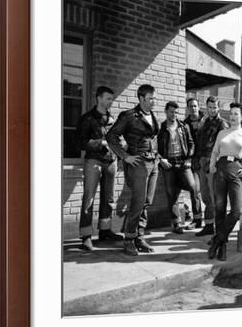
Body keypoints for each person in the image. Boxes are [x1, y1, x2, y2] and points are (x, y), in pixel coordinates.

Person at [106, 84, 159, 256]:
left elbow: (152, 137)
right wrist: (125, 156)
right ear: (141, 98)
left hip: (153, 163)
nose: (154, 101)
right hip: (138, 163)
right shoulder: (129, 116)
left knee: (146, 201)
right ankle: (128, 239)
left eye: (154, 98)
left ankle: (139, 236)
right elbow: (111, 136)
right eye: (151, 98)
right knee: (137, 202)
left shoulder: (152, 115)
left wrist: (158, 158)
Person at [208, 102, 242, 261]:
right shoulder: (222, 133)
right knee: (219, 208)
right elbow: (215, 151)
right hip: (220, 169)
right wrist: (211, 165)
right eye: (231, 113)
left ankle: (217, 239)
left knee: (237, 211)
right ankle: (221, 248)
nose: (233, 116)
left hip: (235, 170)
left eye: (236, 113)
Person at [75, 86, 122, 251]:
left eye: (111, 98)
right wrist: (99, 142)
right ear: (99, 98)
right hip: (93, 162)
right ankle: (86, 236)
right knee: (89, 199)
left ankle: (105, 231)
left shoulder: (112, 118)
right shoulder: (87, 118)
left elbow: (116, 138)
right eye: (108, 98)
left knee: (108, 199)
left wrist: (120, 144)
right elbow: (80, 142)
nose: (111, 101)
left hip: (111, 162)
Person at [158, 101, 201, 234]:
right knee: (172, 194)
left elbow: (191, 143)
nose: (174, 114)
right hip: (168, 164)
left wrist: (189, 159)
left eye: (176, 112)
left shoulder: (184, 126)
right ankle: (176, 223)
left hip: (183, 162)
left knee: (193, 188)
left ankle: (197, 219)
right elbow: (154, 146)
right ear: (166, 111)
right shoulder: (161, 128)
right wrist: (161, 159)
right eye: (172, 112)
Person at [195, 96, 228, 237]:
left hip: (213, 161)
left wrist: (214, 162)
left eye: (215, 107)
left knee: (215, 196)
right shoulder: (204, 121)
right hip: (202, 160)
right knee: (204, 194)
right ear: (206, 107)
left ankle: (215, 225)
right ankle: (209, 223)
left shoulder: (222, 124)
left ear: (218, 108)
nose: (212, 110)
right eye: (210, 107)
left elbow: (223, 146)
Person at [183, 97, 205, 228]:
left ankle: (211, 220)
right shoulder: (185, 124)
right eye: (191, 106)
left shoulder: (206, 120)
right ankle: (197, 219)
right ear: (188, 108)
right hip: (194, 160)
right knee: (195, 190)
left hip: (207, 160)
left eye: (195, 106)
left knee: (209, 192)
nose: (193, 108)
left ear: (199, 106)